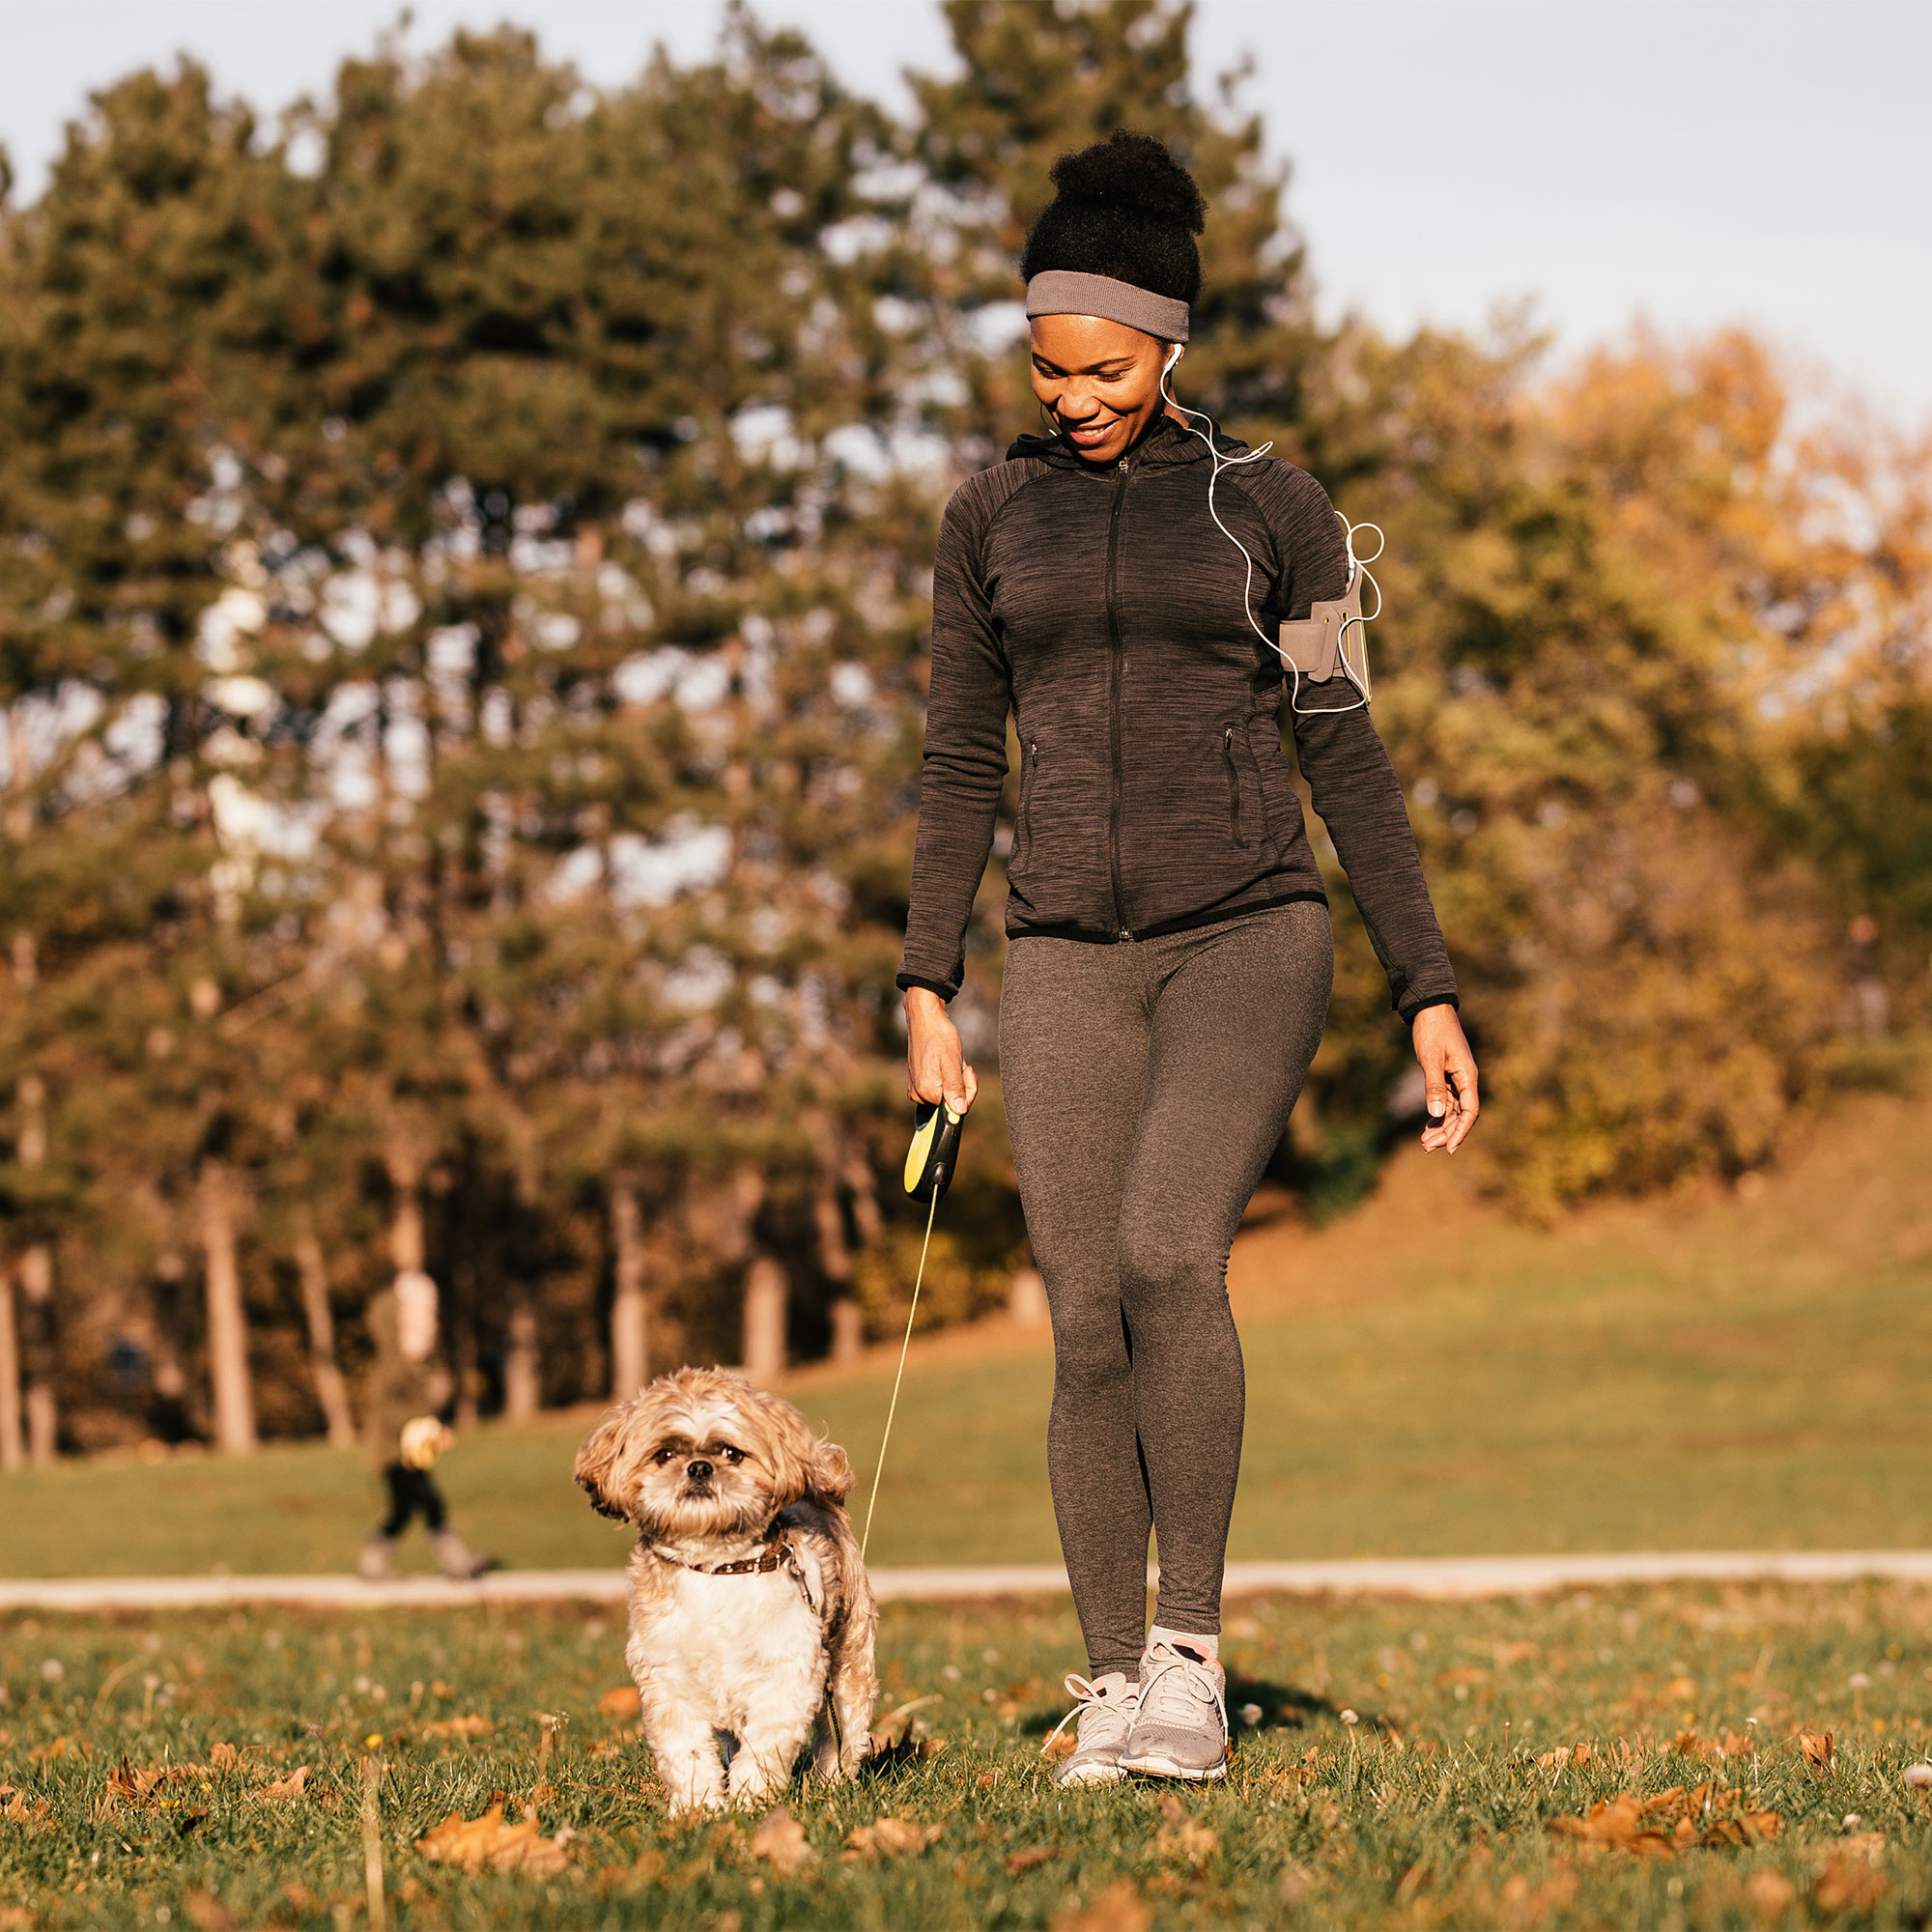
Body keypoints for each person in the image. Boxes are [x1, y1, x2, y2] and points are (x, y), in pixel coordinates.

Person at [897, 131, 1479, 1786]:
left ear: (1170, 346)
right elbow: (957, 759)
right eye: (1048, 362)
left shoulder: (1276, 512)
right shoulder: (986, 518)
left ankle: (1192, 1659)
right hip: (1064, 952)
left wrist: (1425, 982)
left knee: (1168, 1254)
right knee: (1084, 1319)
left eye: (1109, 364)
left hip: (1248, 937)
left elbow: (1344, 747)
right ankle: (1107, 1685)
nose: (1075, 392)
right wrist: (923, 981)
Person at [357, 1268, 493, 1580]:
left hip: (405, 1448)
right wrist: (423, 1429)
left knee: (404, 1509)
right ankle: (456, 1562)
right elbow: (389, 1409)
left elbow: (416, 1406)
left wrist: (429, 1426)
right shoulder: (395, 1365)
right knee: (429, 1502)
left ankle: (373, 1562)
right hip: (395, 1450)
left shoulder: (412, 1361)